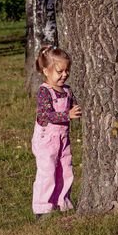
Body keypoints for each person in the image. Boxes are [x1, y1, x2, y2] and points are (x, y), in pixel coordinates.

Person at [31, 45, 82, 220]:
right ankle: (42, 208)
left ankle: (62, 202)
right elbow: (46, 114)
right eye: (59, 71)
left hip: (63, 138)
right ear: (46, 71)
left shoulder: (67, 90)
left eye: (67, 70)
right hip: (47, 139)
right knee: (47, 172)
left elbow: (75, 105)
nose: (64, 74)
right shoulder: (45, 91)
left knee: (65, 170)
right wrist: (67, 114)